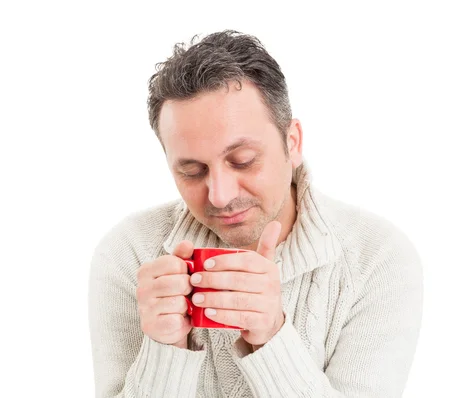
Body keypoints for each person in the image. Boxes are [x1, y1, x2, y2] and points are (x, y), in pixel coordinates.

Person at [88, 30, 423, 398]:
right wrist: (165, 353)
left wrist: (272, 340)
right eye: (192, 171)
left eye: (243, 161)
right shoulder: (130, 253)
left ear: (292, 142)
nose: (219, 195)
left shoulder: (377, 259)